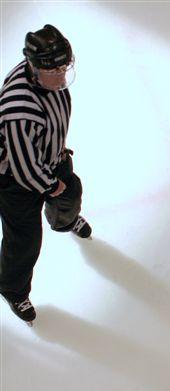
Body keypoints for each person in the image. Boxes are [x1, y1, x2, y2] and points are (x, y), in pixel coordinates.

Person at [0, 24, 92, 326]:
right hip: (17, 180)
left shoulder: (50, 81)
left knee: (72, 194)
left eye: (65, 67)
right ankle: (13, 289)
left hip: (51, 157)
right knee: (24, 240)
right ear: (35, 67)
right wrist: (51, 185)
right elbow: (25, 169)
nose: (63, 77)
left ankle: (64, 221)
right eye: (55, 71)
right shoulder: (18, 110)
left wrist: (59, 161)